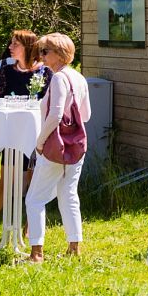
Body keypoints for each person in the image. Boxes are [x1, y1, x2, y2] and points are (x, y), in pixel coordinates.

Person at [27, 33, 90, 263]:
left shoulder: (58, 79)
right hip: (76, 146)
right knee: (68, 194)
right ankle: (74, 247)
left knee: (34, 199)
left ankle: (36, 253)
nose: (41, 55)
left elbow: (55, 114)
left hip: (55, 147)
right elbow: (86, 115)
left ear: (60, 53)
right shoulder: (79, 77)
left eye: (45, 51)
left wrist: (40, 142)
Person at [0, 30, 46, 244]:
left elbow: (47, 102)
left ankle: (29, 229)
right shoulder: (7, 69)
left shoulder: (44, 72)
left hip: (36, 133)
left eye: (15, 43)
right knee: (7, 182)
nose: (10, 46)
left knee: (34, 181)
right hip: (13, 134)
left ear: (27, 46)